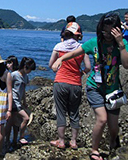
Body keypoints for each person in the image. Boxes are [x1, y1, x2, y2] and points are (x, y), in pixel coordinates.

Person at [52, 13, 128, 160]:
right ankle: (94, 150)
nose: (107, 35)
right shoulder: (94, 43)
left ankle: (113, 141)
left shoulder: (122, 44)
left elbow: (126, 64)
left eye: (110, 31)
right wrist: (60, 59)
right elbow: (75, 53)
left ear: (117, 30)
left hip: (113, 90)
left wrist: (121, 44)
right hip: (95, 87)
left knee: (113, 127)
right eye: (104, 31)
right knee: (102, 119)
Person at [48, 22, 91, 149]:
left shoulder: (59, 46)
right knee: (74, 113)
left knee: (61, 112)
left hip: (60, 82)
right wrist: (81, 73)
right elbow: (88, 67)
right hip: (76, 83)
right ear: (78, 35)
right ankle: (73, 141)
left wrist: (59, 69)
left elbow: (51, 65)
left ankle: (61, 141)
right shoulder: (82, 48)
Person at [10, 57, 36, 146]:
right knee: (26, 118)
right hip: (13, 101)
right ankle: (21, 137)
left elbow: (23, 89)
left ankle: (14, 140)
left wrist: (24, 101)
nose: (30, 71)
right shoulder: (14, 75)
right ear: (25, 66)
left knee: (16, 123)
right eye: (30, 69)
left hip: (19, 101)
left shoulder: (26, 76)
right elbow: (8, 89)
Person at [4, 56, 19, 147]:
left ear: (12, 63)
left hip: (12, 101)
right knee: (15, 122)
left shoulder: (12, 74)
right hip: (16, 100)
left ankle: (8, 140)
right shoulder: (16, 74)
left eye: (9, 63)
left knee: (9, 123)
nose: (7, 65)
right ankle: (14, 139)